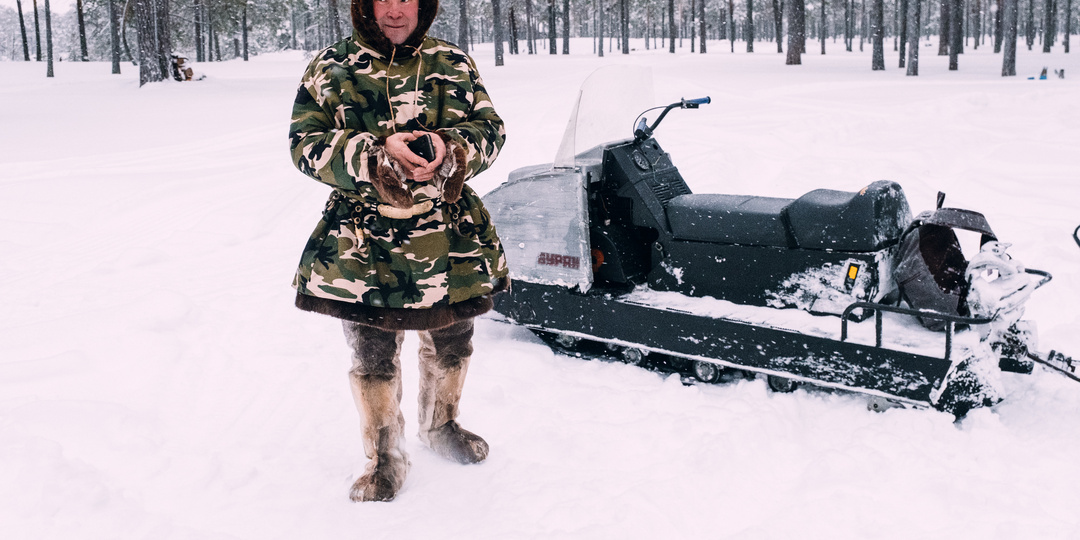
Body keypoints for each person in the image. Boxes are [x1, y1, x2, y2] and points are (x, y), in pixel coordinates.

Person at [288, 0, 509, 502]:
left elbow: (491, 129)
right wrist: (376, 154)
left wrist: (451, 149)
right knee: (373, 354)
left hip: (448, 238)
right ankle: (384, 457)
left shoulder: (452, 62)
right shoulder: (332, 67)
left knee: (453, 340)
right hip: (364, 242)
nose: (394, 9)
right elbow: (305, 143)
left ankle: (440, 425)